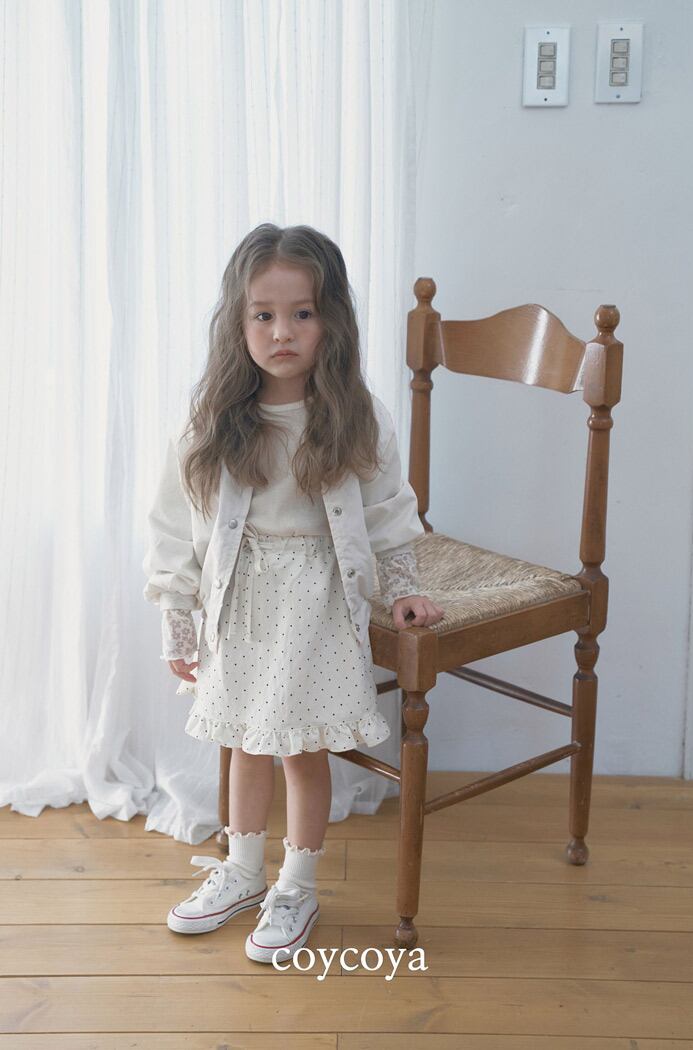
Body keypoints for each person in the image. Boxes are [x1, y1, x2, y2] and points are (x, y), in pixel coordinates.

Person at [142, 222, 444, 964]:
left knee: (302, 749)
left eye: (302, 313)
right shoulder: (212, 422)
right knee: (244, 741)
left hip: (316, 604)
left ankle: (297, 884)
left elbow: (388, 509)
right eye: (264, 315)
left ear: (330, 320)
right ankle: (243, 870)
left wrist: (403, 589)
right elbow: (173, 524)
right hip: (240, 601)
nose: (283, 332)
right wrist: (177, 617)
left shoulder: (355, 416)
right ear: (237, 321)